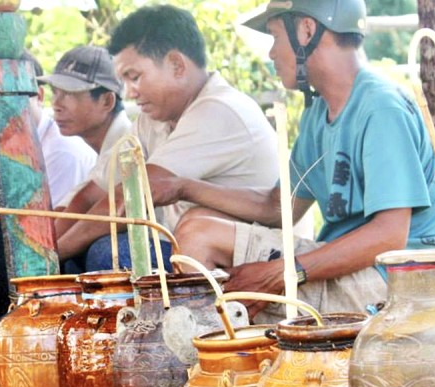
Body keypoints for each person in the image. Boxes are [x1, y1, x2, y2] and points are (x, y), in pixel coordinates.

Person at [175, 0, 435, 324]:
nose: (271, 53)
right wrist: (183, 187)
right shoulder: (318, 113)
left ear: (306, 29)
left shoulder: (381, 108)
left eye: (275, 37)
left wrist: (285, 272)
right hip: (347, 268)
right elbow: (278, 208)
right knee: (195, 226)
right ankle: (226, 359)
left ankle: (208, 361)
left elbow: (388, 237)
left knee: (198, 236)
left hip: (393, 282)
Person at [57, 5, 295, 272]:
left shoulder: (219, 110)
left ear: (176, 65)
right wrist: (47, 247)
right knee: (85, 253)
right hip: (191, 249)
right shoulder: (152, 119)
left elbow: (131, 197)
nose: (129, 92)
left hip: (245, 261)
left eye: (134, 77)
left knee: (109, 252)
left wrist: (52, 257)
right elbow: (94, 193)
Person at [35, 45, 134, 273]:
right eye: (55, 92)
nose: (56, 105)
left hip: (174, 248)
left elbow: (97, 205)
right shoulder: (105, 150)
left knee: (104, 252)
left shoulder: (128, 144)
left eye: (69, 94)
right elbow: (70, 208)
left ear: (107, 101)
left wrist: (46, 260)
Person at [22, 51, 96, 210]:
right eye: (55, 93)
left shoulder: (62, 150)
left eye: (69, 94)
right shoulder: (16, 145)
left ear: (39, 96)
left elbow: (48, 227)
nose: (4, 110)